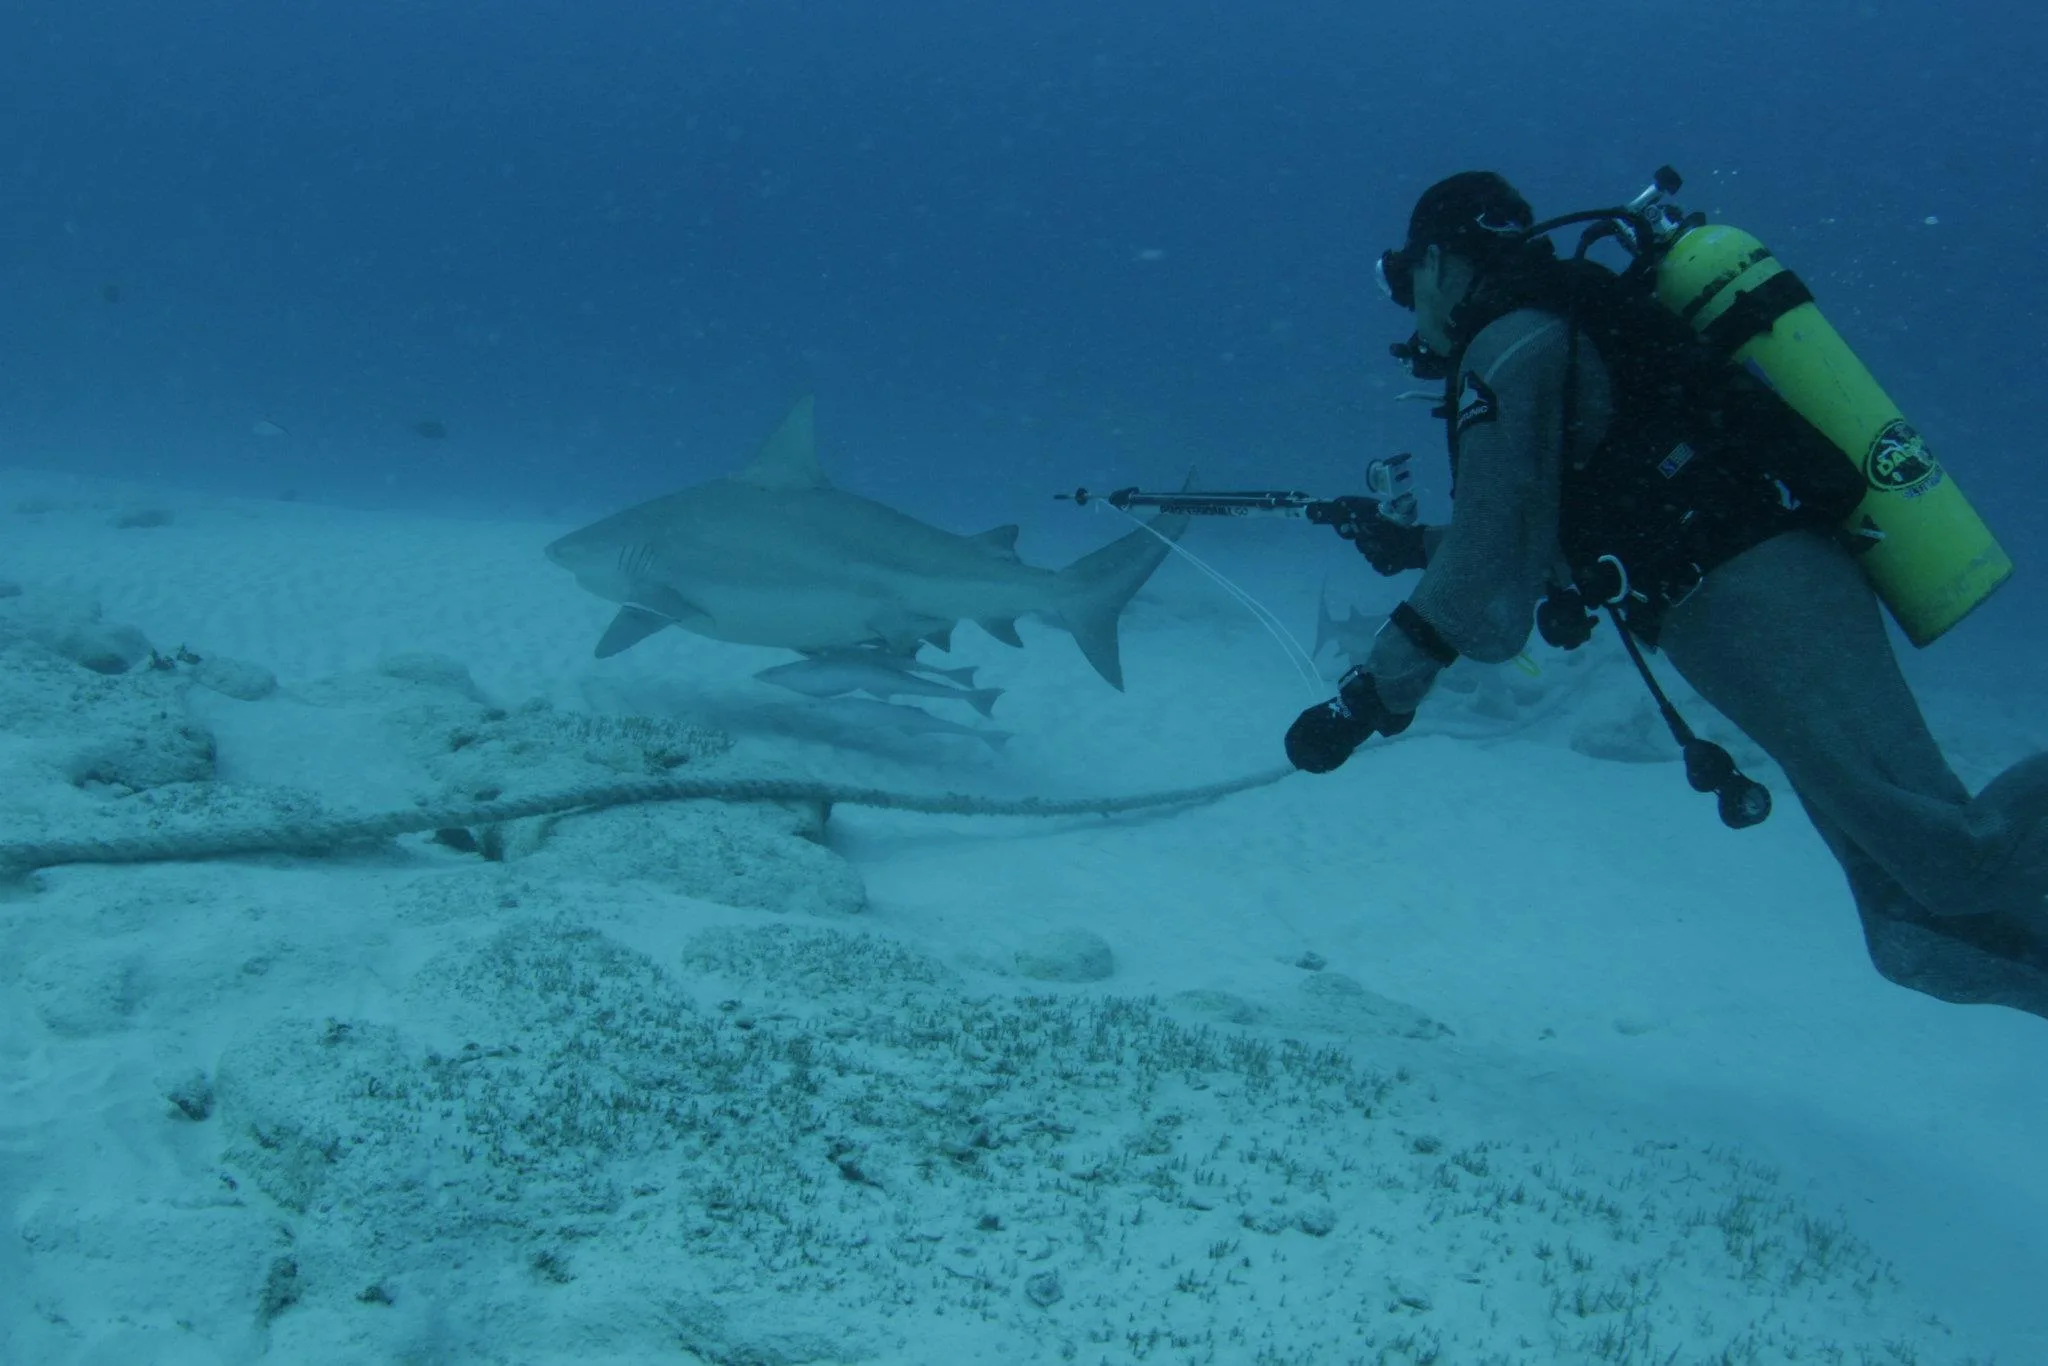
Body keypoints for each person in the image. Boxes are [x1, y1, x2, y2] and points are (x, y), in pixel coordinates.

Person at [1283, 170, 2048, 1019]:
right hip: (1731, 599)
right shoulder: (1557, 324)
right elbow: (1543, 546)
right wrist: (1412, 548)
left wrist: (1368, 700)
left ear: (1432, 261)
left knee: (1947, 862)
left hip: (1757, 594)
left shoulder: (1507, 343)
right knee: (1915, 935)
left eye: (1404, 286)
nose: (1411, 313)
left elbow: (1491, 570)